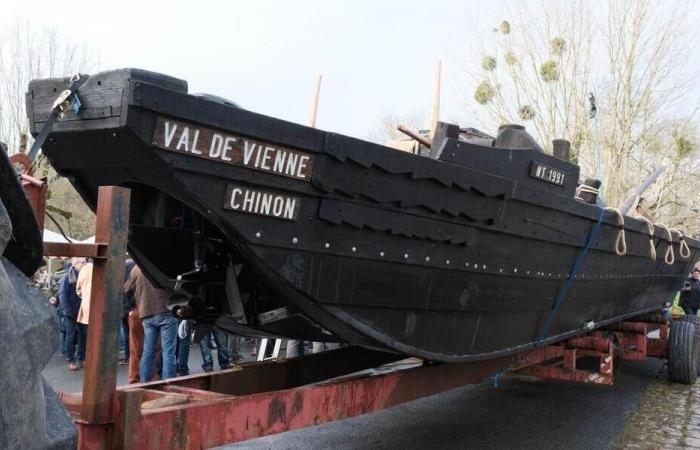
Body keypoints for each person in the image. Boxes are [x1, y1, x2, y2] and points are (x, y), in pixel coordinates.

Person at [124, 265, 177, 381]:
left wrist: (133, 305)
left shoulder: (135, 269)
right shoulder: (162, 265)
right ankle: (171, 383)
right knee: (168, 352)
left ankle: (145, 381)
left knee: (148, 351)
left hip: (146, 313)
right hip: (166, 310)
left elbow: (126, 289)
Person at [58, 258, 88, 370]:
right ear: (75, 264)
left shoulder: (85, 276)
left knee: (84, 336)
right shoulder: (67, 277)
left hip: (83, 311)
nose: (85, 264)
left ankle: (81, 358)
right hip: (71, 312)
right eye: (83, 262)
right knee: (70, 337)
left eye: (85, 262)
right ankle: (71, 360)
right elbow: (62, 295)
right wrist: (68, 311)